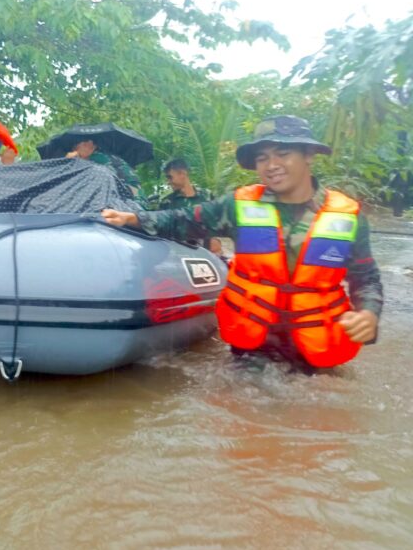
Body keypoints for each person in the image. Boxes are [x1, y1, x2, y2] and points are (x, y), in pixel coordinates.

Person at [102, 115, 383, 371]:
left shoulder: (349, 216)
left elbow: (366, 277)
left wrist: (369, 313)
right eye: (262, 158)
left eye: (283, 153)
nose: (271, 165)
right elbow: (185, 219)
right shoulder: (238, 206)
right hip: (253, 347)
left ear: (309, 155)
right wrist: (135, 219)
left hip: (316, 348)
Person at [157, 158, 222, 255]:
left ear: (182, 174)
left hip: (207, 254)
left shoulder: (207, 196)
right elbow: (161, 231)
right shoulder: (166, 202)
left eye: (170, 177)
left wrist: (216, 241)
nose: (168, 182)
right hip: (180, 255)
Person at [66, 139, 149, 206]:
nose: (74, 149)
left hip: (132, 202)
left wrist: (71, 162)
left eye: (77, 145)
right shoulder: (89, 160)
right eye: (73, 147)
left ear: (91, 144)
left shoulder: (100, 158)